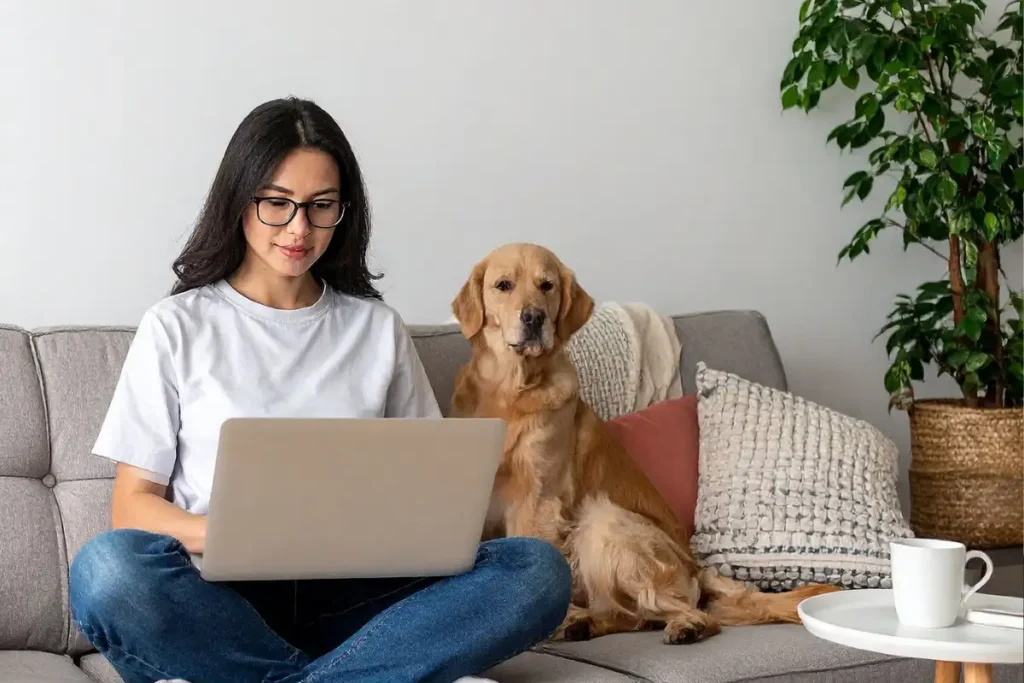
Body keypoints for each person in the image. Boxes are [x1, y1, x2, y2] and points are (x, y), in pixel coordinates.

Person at [68, 97, 572, 683]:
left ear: (345, 210)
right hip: (221, 602)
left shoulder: (376, 330)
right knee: (107, 570)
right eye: (277, 204)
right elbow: (132, 506)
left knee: (537, 571)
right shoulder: (176, 326)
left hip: (360, 604)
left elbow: (431, 495)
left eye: (320, 206)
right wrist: (240, 537)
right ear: (239, 200)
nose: (299, 229)